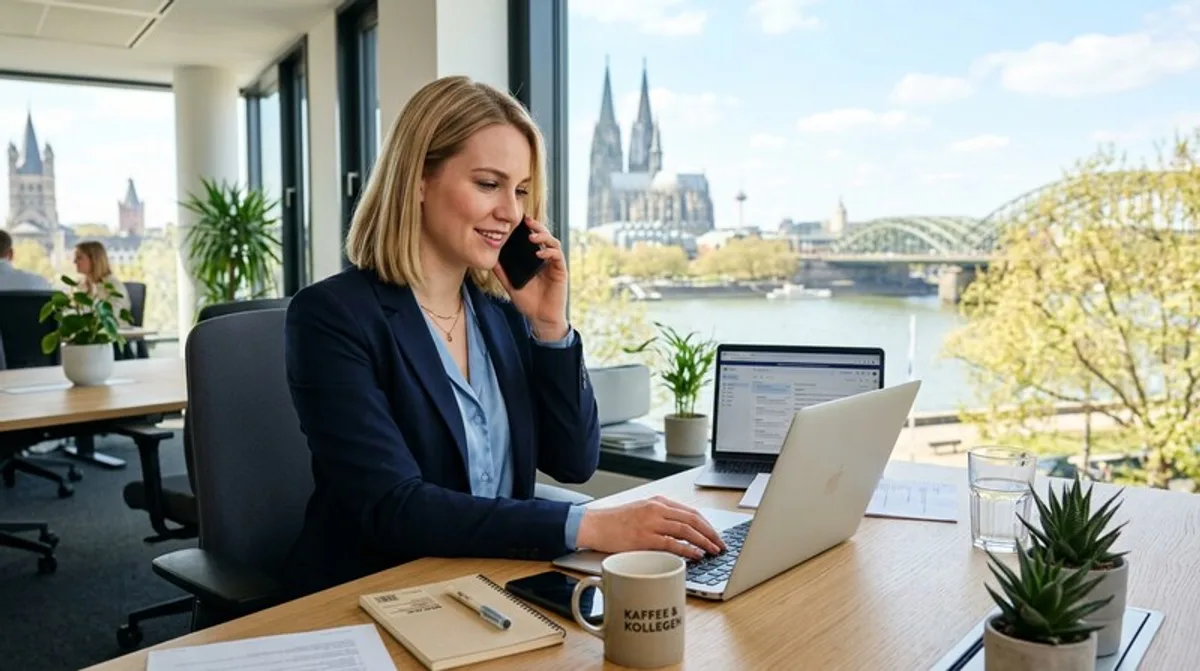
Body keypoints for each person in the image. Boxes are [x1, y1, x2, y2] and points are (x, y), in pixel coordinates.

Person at [282, 75, 725, 596]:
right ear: (419, 180)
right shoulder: (332, 317)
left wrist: (551, 327)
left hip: (492, 583)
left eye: (520, 191)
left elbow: (574, 462)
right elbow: (394, 507)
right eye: (489, 184)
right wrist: (590, 526)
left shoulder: (501, 313)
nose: (511, 213)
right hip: (374, 593)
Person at [73, 240, 131, 325]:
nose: (74, 261)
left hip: (115, 332)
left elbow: (110, 319)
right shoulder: (81, 285)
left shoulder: (114, 285)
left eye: (79, 258)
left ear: (94, 260)